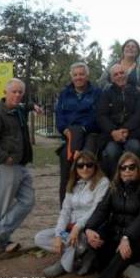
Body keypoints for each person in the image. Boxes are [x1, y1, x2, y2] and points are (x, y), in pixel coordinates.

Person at [0, 78, 42, 254]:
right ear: (5, 92)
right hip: (7, 165)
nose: (17, 95)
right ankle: (0, 243)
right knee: (3, 206)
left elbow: (26, 105)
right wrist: (5, 158)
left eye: (20, 92)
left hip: (22, 164)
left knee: (27, 201)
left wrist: (34, 106)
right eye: (14, 92)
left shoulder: (19, 110)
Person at [85, 152, 140, 278]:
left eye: (131, 167)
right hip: (116, 234)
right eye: (123, 168)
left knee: (123, 252)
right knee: (95, 238)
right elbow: (102, 210)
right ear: (119, 170)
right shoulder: (114, 187)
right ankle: (104, 271)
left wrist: (127, 237)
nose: (127, 171)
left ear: (138, 169)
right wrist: (89, 228)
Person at [34, 151, 109, 278]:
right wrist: (58, 234)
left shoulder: (102, 182)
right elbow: (65, 211)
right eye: (80, 165)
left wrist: (77, 227)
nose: (85, 168)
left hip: (88, 228)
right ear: (76, 168)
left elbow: (96, 210)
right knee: (40, 237)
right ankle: (81, 255)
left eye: (89, 165)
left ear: (95, 166)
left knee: (74, 241)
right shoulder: (72, 184)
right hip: (69, 231)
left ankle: (63, 265)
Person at [56, 62, 102, 203]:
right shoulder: (65, 94)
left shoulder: (97, 92)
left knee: (86, 163)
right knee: (66, 164)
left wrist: (84, 129)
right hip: (70, 134)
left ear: (87, 75)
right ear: (71, 76)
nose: (78, 77)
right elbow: (59, 116)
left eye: (81, 74)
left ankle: (88, 205)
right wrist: (64, 130)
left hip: (89, 133)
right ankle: (65, 207)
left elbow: (98, 116)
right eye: (75, 75)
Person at [96, 64, 140, 178]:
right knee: (111, 152)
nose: (119, 76)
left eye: (122, 73)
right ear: (112, 78)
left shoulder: (137, 93)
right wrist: (113, 131)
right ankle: (115, 183)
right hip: (111, 135)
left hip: (132, 133)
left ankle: (136, 181)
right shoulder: (106, 93)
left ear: (127, 75)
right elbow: (101, 115)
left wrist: (126, 129)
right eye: (116, 74)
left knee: (135, 148)